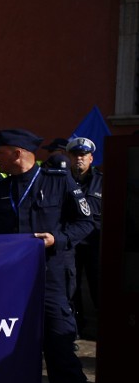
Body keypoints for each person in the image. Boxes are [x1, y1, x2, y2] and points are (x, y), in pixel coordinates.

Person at [0, 128, 113, 383]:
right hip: (9, 285)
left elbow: (86, 224)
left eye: (1, 152)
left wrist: (57, 239)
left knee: (62, 357)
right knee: (10, 354)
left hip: (50, 281)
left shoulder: (59, 181)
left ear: (18, 152)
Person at [65, 137, 102, 339]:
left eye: (83, 155)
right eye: (75, 155)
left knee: (99, 286)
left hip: (96, 243)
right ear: (69, 157)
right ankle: (75, 328)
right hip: (71, 243)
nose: (79, 159)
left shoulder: (103, 181)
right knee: (72, 287)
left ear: (91, 158)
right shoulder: (62, 180)